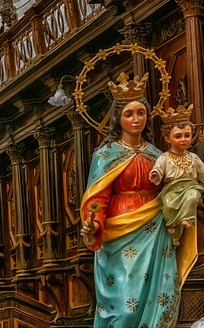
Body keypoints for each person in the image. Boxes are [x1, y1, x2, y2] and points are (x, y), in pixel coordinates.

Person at [80, 73, 196, 327]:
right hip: (118, 232)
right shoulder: (105, 154)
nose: (136, 119)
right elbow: (97, 198)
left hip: (156, 229)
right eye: (129, 114)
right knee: (124, 307)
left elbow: (171, 190)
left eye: (141, 112)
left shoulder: (157, 154)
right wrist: (94, 223)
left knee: (160, 297)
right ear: (117, 118)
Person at [150, 105, 204, 245]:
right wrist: (156, 174)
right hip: (172, 189)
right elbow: (159, 168)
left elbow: (201, 171)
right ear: (167, 138)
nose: (184, 139)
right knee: (168, 205)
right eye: (178, 136)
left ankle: (186, 219)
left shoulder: (193, 157)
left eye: (187, 135)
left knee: (193, 197)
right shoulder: (165, 157)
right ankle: (173, 228)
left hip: (191, 186)